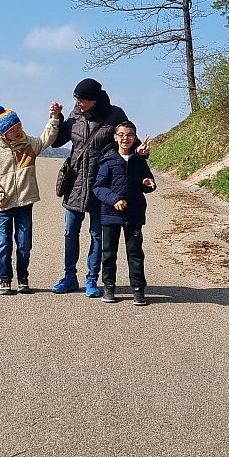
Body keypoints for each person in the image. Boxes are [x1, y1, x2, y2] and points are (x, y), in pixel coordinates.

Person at [50, 78, 149, 297]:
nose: (79, 104)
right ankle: (69, 277)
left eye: (83, 100)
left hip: (102, 184)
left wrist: (142, 154)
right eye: (76, 99)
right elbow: (56, 142)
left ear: (95, 100)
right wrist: (56, 119)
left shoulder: (114, 114)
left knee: (96, 235)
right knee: (70, 232)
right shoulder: (75, 114)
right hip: (75, 184)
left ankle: (91, 279)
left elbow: (131, 141)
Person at [0, 103, 61, 295]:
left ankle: (23, 277)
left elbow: (46, 138)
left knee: (24, 244)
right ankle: (5, 279)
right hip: (2, 206)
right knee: (3, 244)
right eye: (12, 130)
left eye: (19, 127)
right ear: (3, 132)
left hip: (25, 202)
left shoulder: (29, 144)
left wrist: (54, 119)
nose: (17, 132)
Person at [91, 120, 157, 305]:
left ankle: (138, 290)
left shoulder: (139, 161)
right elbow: (98, 187)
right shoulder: (109, 161)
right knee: (109, 254)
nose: (125, 138)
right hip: (110, 214)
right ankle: (109, 287)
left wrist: (148, 184)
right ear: (115, 137)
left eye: (129, 135)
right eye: (121, 135)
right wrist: (114, 200)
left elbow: (147, 181)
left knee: (135, 253)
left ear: (134, 138)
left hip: (134, 214)